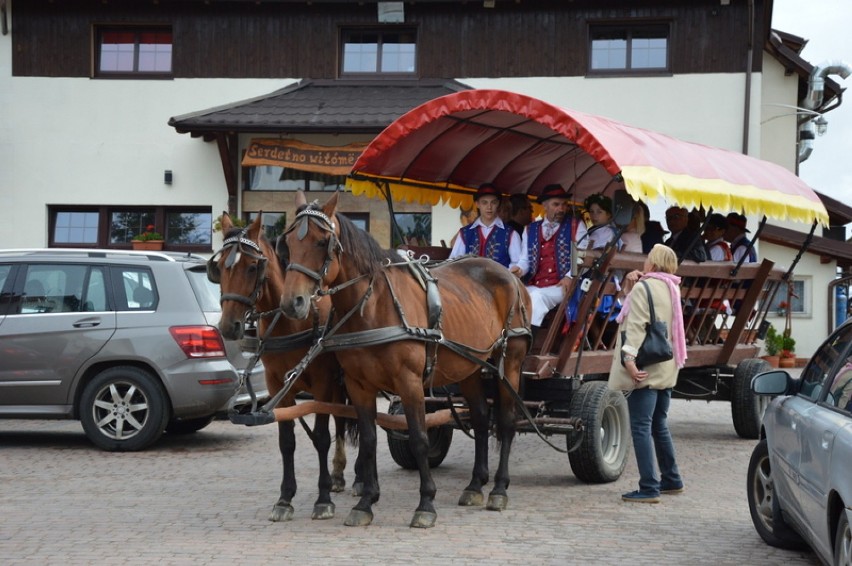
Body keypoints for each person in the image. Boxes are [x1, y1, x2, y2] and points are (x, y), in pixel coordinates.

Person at [608, 244, 686, 503]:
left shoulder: (646, 286)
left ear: (653, 263)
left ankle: (649, 486)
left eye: (647, 259)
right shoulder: (671, 286)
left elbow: (637, 325)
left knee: (640, 427)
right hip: (666, 365)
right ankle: (672, 479)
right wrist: (632, 288)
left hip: (646, 366)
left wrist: (629, 359)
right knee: (658, 424)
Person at [517, 183, 588, 328]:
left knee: (537, 297)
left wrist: (570, 276)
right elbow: (525, 260)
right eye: (556, 204)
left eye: (564, 204)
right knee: (513, 296)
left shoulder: (575, 226)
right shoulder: (530, 229)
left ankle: (526, 343)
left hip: (560, 286)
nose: (561, 209)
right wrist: (518, 270)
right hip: (534, 284)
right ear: (544, 205)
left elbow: (580, 258)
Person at [449, 183, 522, 273]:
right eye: (484, 202)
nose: (489, 207)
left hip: (499, 284)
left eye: (493, 202)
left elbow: (517, 264)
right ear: (477, 204)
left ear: (498, 204)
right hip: (470, 284)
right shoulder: (465, 233)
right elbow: (454, 263)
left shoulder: (511, 234)